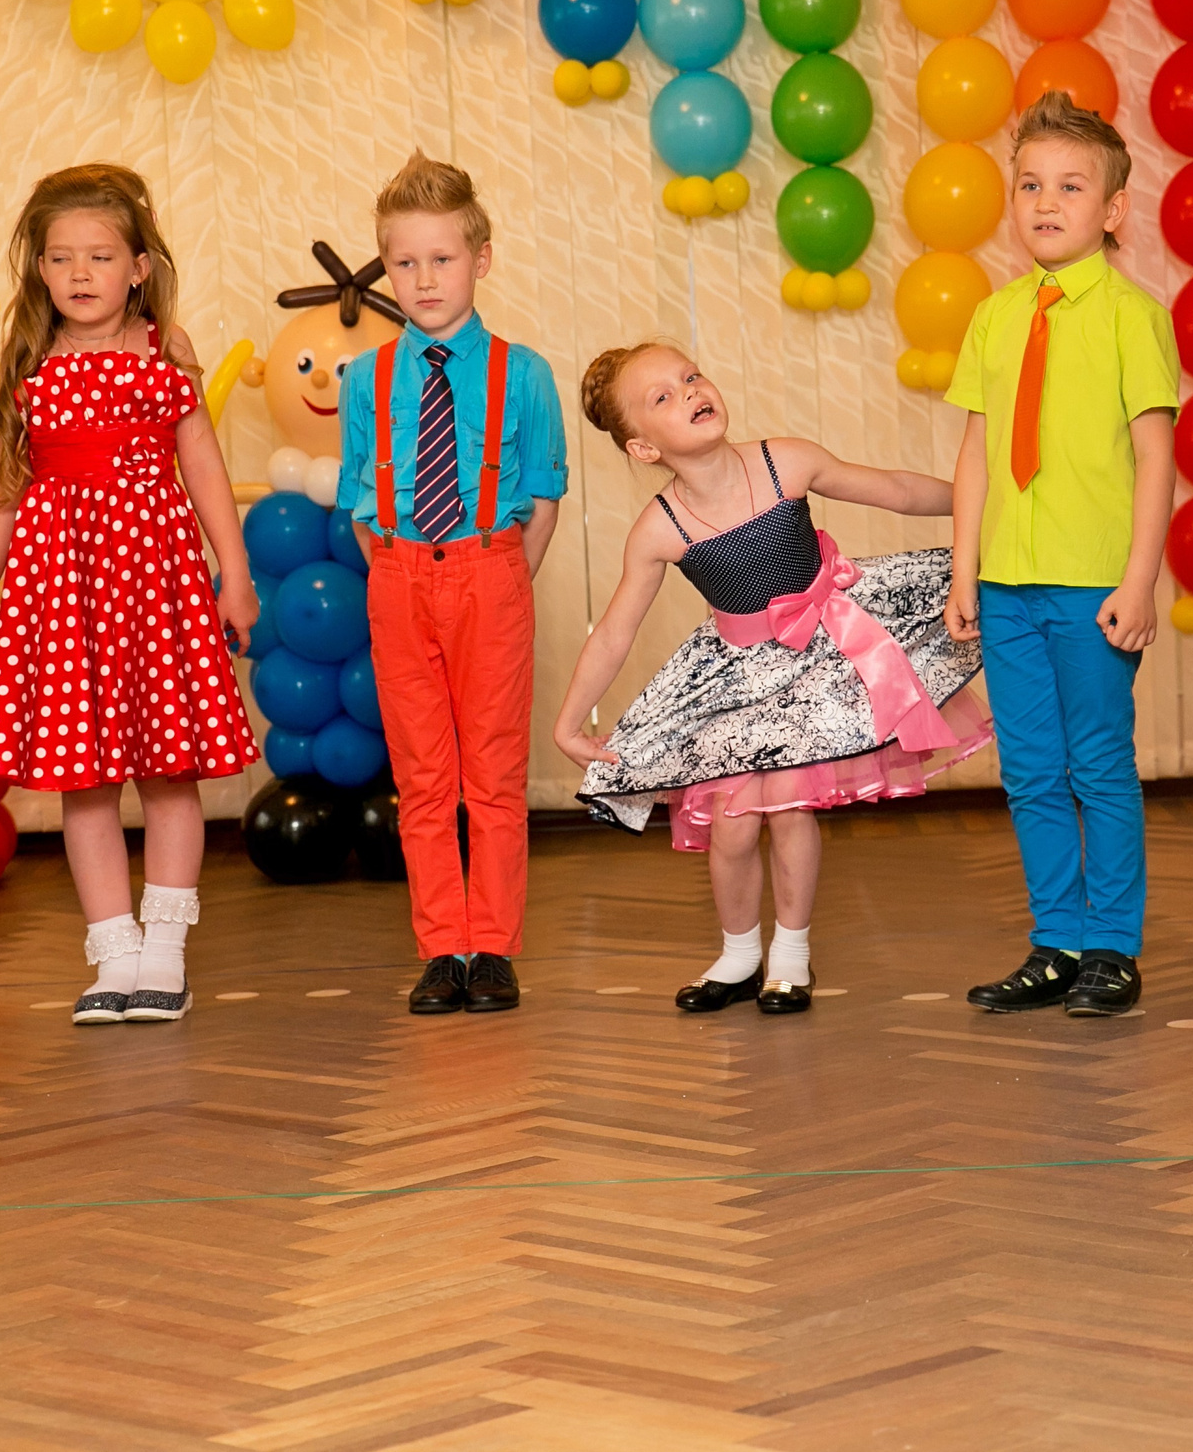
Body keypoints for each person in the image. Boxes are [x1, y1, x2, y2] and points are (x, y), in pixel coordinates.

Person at [559, 345, 986, 1012]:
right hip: (736, 676)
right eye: (663, 398)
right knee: (730, 822)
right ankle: (738, 956)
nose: (690, 392)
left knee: (787, 810)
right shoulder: (659, 529)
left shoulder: (782, 460)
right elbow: (616, 630)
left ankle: (791, 956)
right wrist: (570, 718)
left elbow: (896, 489)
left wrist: (975, 504)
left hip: (825, 658)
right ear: (643, 449)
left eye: (691, 376)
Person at [0, 165, 258, 1025]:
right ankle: (113, 950)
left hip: (155, 576)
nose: (81, 273)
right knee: (82, 777)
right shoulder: (30, 361)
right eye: (62, 258)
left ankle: (164, 947)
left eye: (100, 255)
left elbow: (202, 462)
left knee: (169, 766)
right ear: (40, 270)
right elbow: (3, 484)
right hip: (58, 586)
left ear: (138, 265)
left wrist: (233, 572)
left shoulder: (163, 349)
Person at [944, 90, 1178, 1020]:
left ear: (1113, 210)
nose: (1046, 201)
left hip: (1092, 586)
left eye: (1071, 186)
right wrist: (966, 570)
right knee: (1031, 767)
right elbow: (975, 452)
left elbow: (1156, 454)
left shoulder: (1132, 315)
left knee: (1098, 764)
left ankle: (1113, 946)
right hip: (1006, 581)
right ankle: (1058, 940)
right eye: (1030, 183)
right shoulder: (996, 317)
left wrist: (1138, 578)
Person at [336, 152, 568, 1017]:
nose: (424, 278)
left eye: (442, 258)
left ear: (482, 258)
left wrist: (497, 577)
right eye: (405, 262)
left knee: (495, 774)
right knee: (425, 777)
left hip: (491, 573)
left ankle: (495, 949)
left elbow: (541, 500)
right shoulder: (367, 378)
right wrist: (403, 576)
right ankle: (443, 946)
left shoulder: (527, 373)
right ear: (386, 266)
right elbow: (364, 501)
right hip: (399, 579)